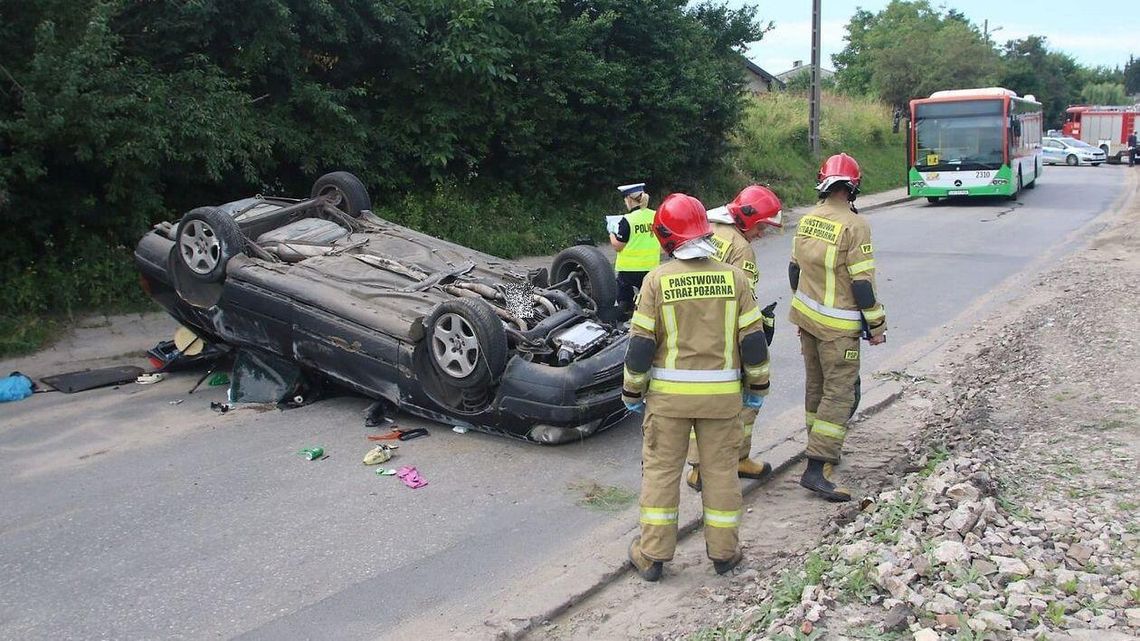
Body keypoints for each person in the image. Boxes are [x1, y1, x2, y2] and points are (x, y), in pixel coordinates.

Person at [623, 193, 771, 581]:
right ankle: (724, 554)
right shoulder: (734, 278)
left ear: (667, 238)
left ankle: (653, 557)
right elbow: (753, 343)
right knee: (721, 472)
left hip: (668, 402)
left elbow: (640, 346)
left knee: (660, 473)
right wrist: (758, 387)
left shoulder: (657, 281)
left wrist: (632, 392)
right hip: (722, 402)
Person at [788, 153, 887, 503]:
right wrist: (875, 324)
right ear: (854, 187)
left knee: (816, 387)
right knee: (840, 393)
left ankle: (817, 446)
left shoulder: (807, 219)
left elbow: (794, 272)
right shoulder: (855, 225)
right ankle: (818, 468)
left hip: (807, 320)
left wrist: (806, 309)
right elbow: (862, 284)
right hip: (838, 327)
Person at [685, 185, 784, 492]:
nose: (762, 234)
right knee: (746, 400)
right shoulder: (741, 248)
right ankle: (736, 458)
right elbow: (745, 300)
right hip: (724, 336)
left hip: (693, 330)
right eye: (762, 227)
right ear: (749, 219)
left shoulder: (709, 229)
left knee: (699, 402)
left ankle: (698, 468)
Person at [610, 183, 661, 316]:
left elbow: (618, 246)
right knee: (650, 302)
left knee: (625, 303)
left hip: (628, 271)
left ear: (629, 199)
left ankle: (626, 325)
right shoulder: (655, 216)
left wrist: (611, 232)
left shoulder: (627, 220)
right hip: (652, 268)